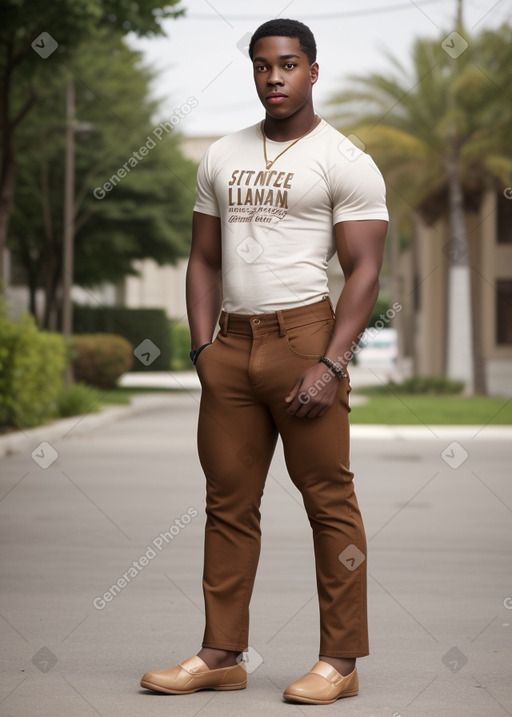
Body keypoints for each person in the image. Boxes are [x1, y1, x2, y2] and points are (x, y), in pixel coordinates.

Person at [141, 17, 388, 705]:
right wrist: (202, 349)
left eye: (287, 65)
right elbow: (203, 258)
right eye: (261, 65)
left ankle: (340, 660)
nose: (273, 77)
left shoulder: (345, 159)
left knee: (330, 502)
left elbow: (364, 269)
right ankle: (221, 651)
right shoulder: (221, 154)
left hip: (305, 339)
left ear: (312, 70)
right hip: (232, 347)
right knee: (228, 505)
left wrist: (331, 364)